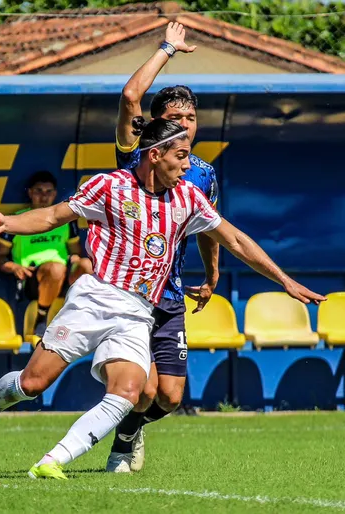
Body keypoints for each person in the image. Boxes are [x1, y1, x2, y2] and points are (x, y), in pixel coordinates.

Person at [0, 118, 325, 480]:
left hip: (137, 312)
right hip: (94, 299)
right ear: (156, 155)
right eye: (181, 155)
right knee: (31, 385)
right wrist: (8, 224)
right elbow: (52, 217)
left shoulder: (188, 197)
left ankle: (52, 461)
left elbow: (236, 239)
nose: (187, 163)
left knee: (128, 392)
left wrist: (284, 280)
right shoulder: (109, 187)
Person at [107, 21, 216, 473]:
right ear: (156, 124)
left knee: (169, 398)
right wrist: (167, 48)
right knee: (145, 390)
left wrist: (212, 277)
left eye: (190, 119)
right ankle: (122, 440)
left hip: (172, 293)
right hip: (131, 293)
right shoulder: (136, 154)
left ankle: (131, 430)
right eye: (175, 118)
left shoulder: (204, 173)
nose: (184, 126)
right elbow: (131, 98)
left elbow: (211, 229)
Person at [0, 171, 92, 336]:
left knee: (86, 265)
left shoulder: (66, 220)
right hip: (33, 278)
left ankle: (85, 315)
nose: (44, 197)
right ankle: (41, 318)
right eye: (39, 191)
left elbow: (75, 252)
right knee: (55, 269)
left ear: (54, 194)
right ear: (30, 192)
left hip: (64, 275)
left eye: (48, 192)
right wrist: (13, 267)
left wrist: (75, 259)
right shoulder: (15, 220)